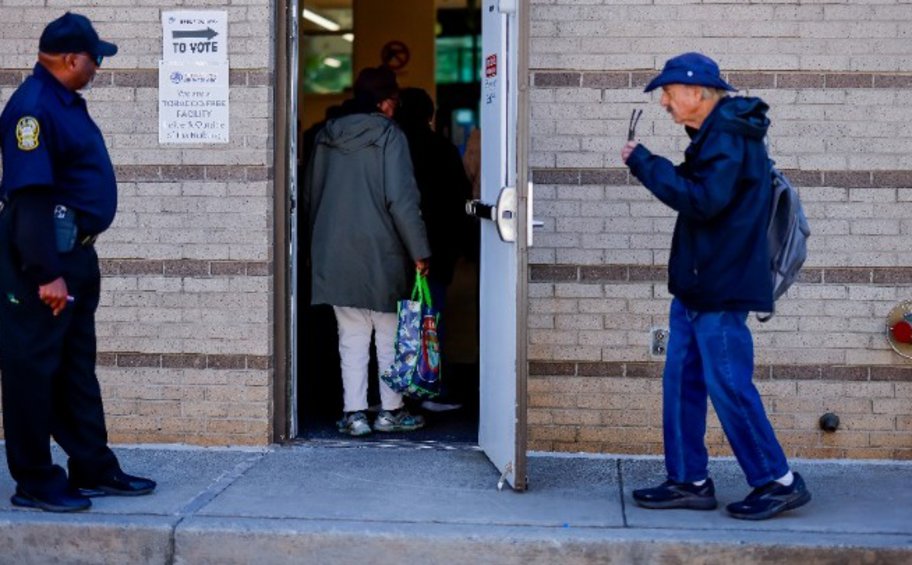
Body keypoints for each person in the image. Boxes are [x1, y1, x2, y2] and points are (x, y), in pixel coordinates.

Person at [620, 52, 811, 520]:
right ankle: (688, 480)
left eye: (668, 92)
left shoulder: (728, 135)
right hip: (697, 287)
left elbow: (704, 201)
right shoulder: (714, 135)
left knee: (728, 383)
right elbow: (705, 189)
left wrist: (645, 163)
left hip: (721, 288)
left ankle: (777, 480)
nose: (664, 102)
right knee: (682, 382)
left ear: (698, 92)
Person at [0, 12, 156, 513]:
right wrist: (46, 273)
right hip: (45, 263)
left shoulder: (64, 102)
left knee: (75, 369)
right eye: (94, 59)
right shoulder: (34, 108)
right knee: (33, 372)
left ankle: (91, 465)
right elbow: (28, 200)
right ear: (70, 58)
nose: (98, 67)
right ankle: (35, 481)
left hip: (76, 255)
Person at [303, 66, 431, 437]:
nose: (395, 108)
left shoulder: (326, 135)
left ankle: (355, 413)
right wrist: (420, 250)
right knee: (389, 333)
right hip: (383, 251)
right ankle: (391, 411)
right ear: (384, 102)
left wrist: (316, 247)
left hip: (335, 251)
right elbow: (402, 200)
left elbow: (311, 196)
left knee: (352, 335)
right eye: (394, 100)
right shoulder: (390, 135)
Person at [394, 88, 471, 412]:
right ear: (430, 115)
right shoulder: (443, 149)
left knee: (392, 321)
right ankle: (425, 389)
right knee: (428, 320)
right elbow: (460, 200)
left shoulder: (390, 147)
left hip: (393, 249)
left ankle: (391, 393)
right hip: (434, 250)